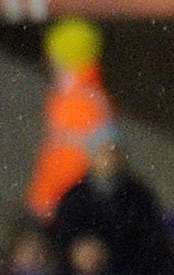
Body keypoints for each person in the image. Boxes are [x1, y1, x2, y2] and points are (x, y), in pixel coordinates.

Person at [26, 18, 115, 223]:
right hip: (61, 199)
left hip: (70, 202)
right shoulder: (71, 94)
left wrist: (47, 198)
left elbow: (97, 158)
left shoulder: (84, 97)